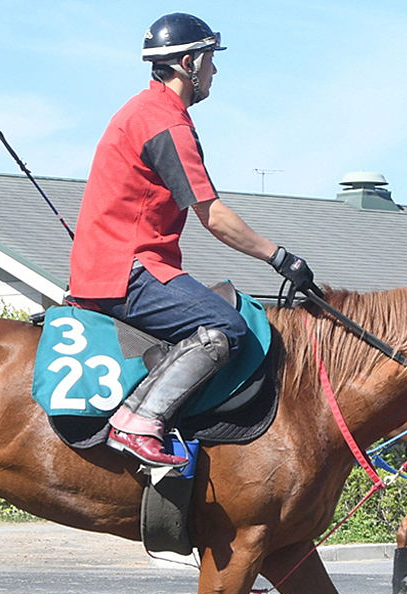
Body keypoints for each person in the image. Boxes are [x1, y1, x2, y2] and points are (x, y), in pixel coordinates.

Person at [67, 12, 317, 467]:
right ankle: (138, 423)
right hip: (131, 270)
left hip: (111, 265)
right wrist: (279, 257)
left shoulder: (141, 111)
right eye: (209, 61)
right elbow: (214, 217)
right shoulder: (167, 124)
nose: (214, 71)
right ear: (187, 63)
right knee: (227, 328)